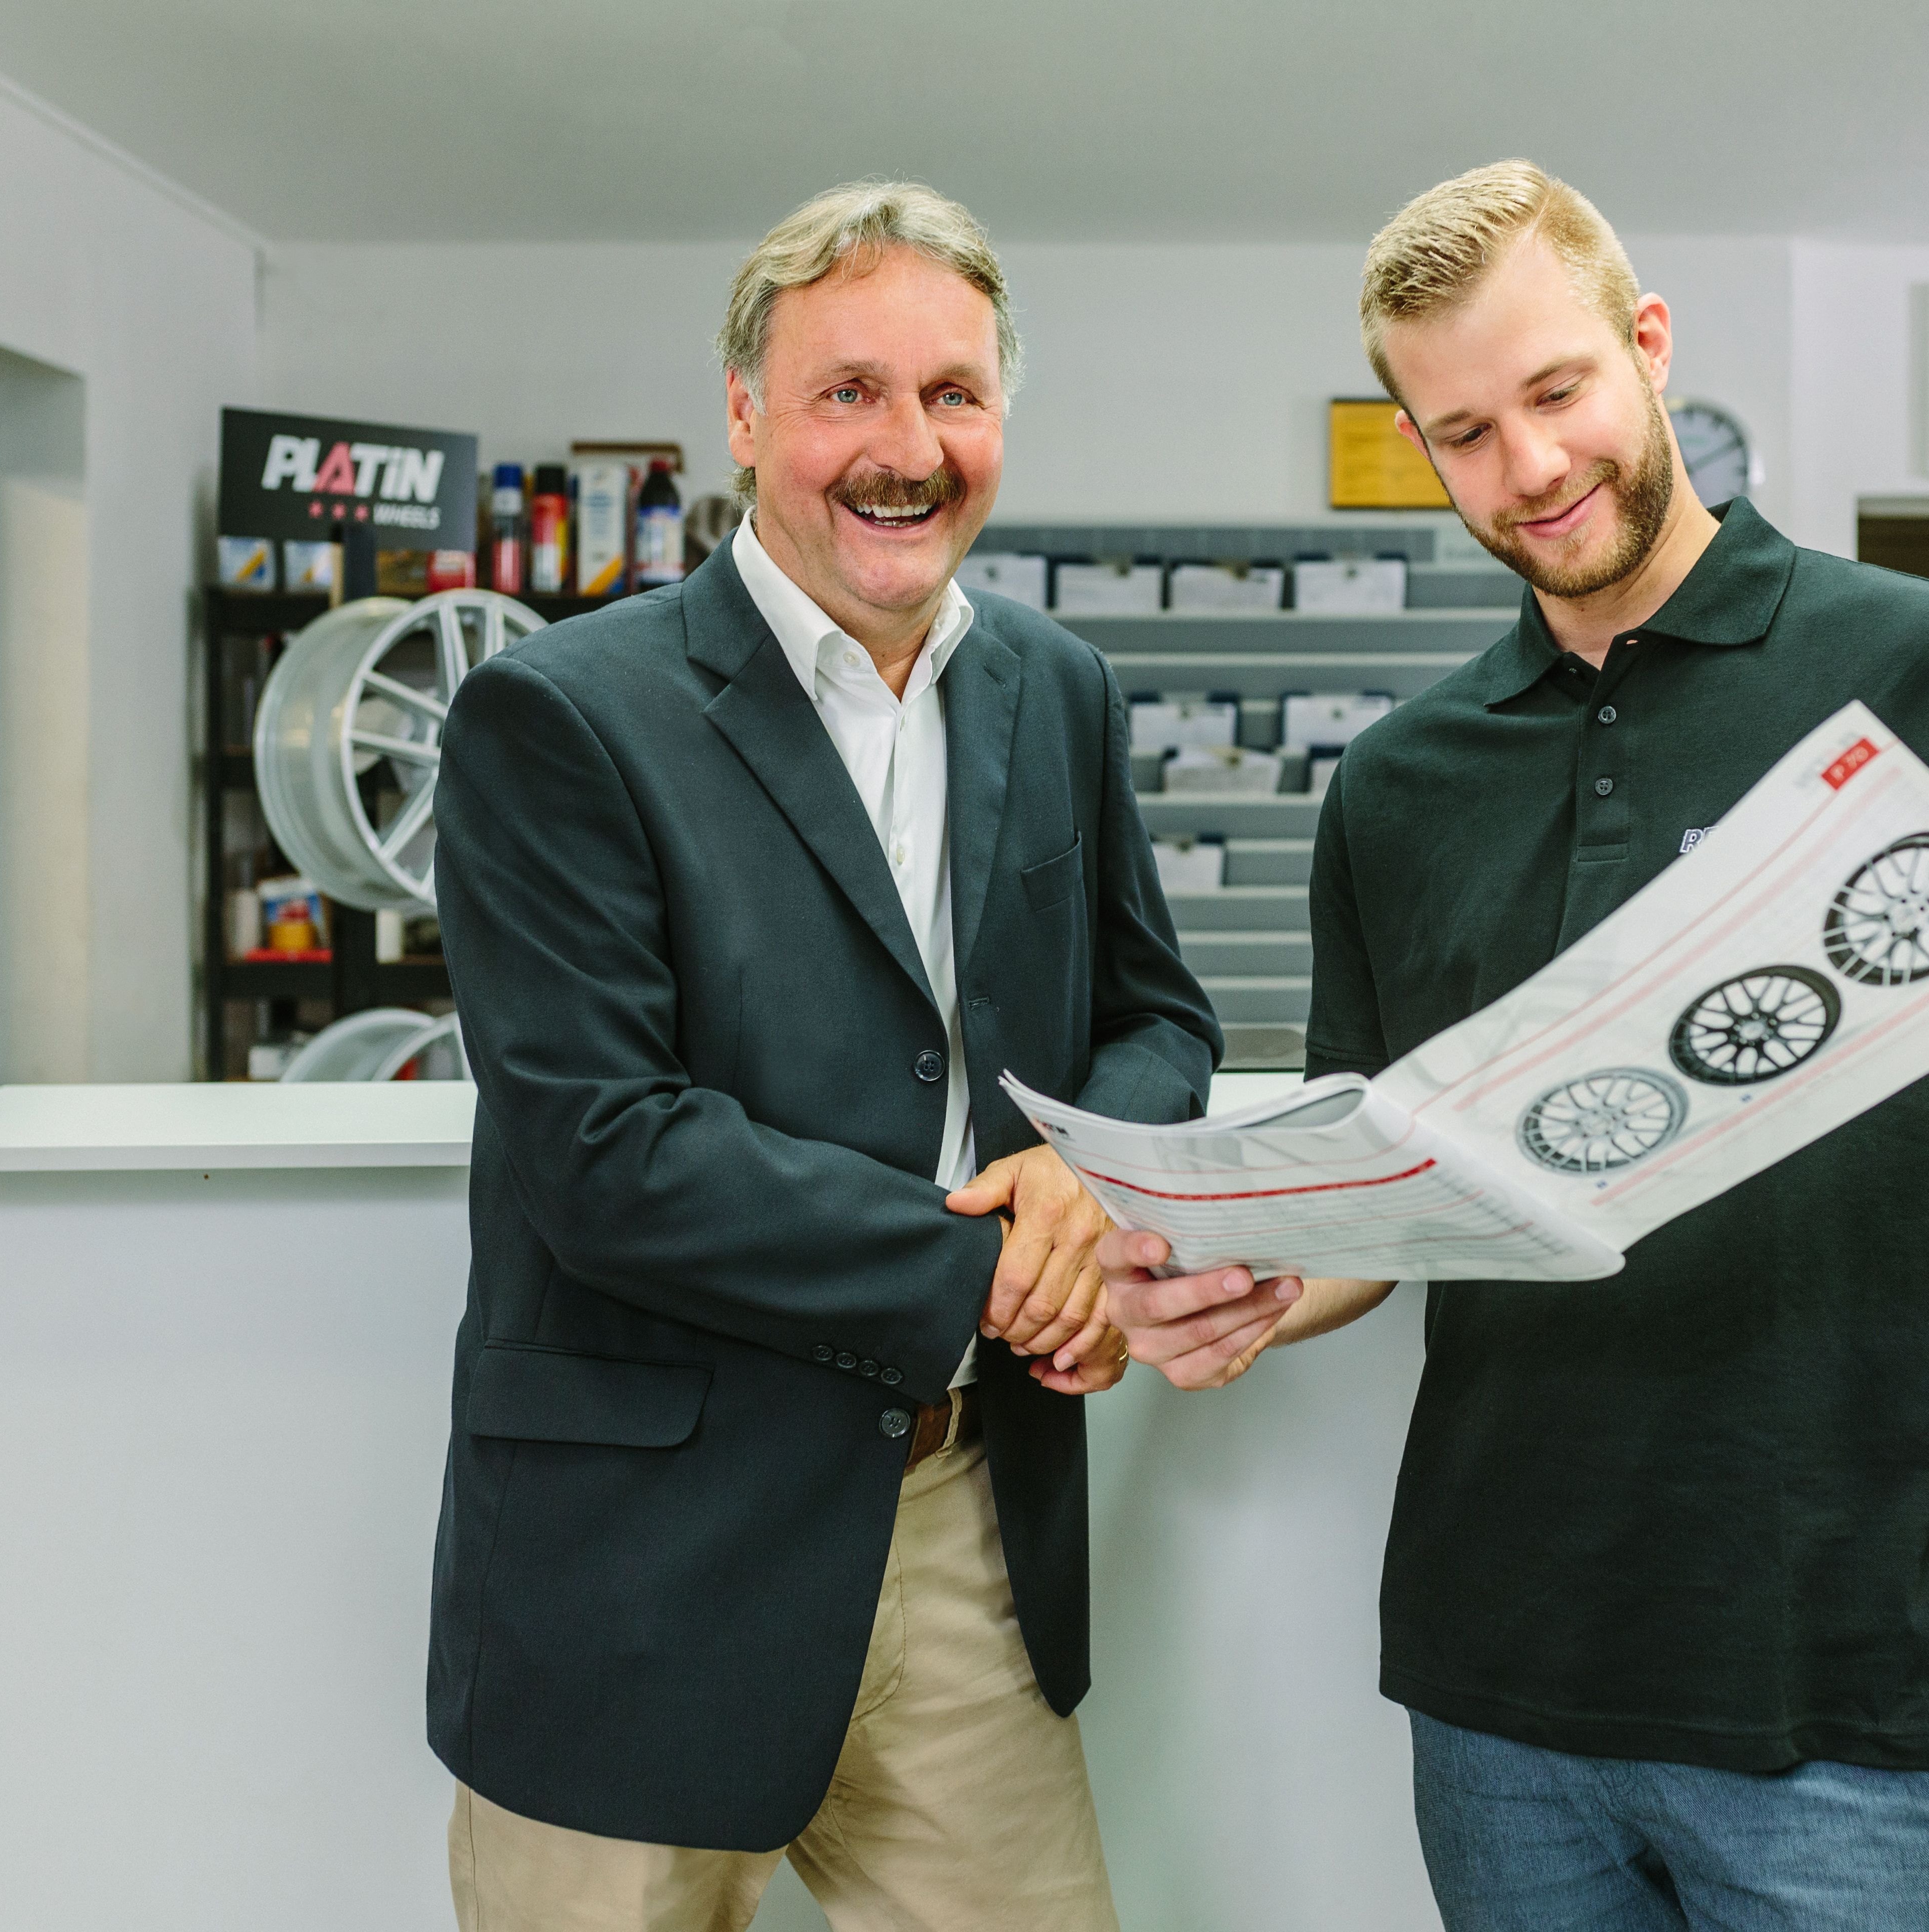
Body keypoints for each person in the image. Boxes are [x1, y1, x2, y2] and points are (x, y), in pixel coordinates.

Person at [1102, 160, 1929, 1932]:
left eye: (1558, 392)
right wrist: (1253, 1277)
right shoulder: (1394, 785)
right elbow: (1376, 1196)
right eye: (1466, 434)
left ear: (1649, 344)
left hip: (1844, 1684)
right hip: (1497, 1688)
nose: (1531, 467)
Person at [426, 179, 1218, 1932]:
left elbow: (1160, 1020)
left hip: (960, 1519)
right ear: (744, 415)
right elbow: (605, 1152)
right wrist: (997, 1268)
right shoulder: (562, 716)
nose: (906, 449)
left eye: (954, 395)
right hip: (639, 1570)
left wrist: (1084, 1176)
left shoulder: (1058, 690)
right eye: (848, 391)